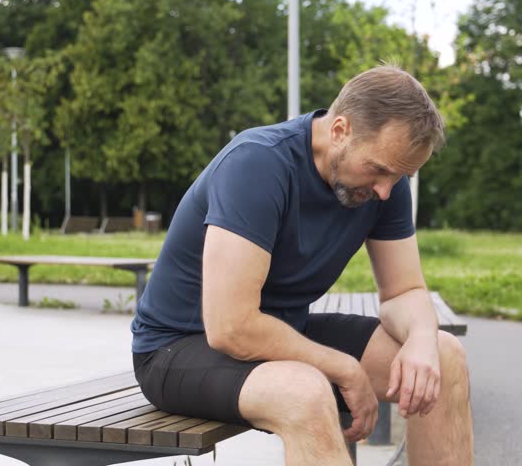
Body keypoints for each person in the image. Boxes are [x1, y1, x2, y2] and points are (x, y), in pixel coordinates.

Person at [131, 65, 474, 465]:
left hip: (282, 334)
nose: (385, 190)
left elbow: (404, 292)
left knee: (444, 356)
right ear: (340, 130)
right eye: (379, 169)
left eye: (400, 176)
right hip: (180, 349)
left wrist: (420, 338)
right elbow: (231, 327)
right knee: (305, 391)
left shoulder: (386, 185)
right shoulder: (257, 164)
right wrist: (344, 368)